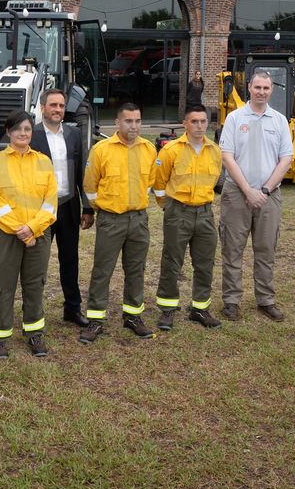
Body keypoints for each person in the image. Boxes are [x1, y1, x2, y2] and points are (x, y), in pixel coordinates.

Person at [217, 70, 294, 322]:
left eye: (266, 88)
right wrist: (248, 190)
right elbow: (226, 156)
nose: (261, 92)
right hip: (236, 193)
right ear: (249, 87)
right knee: (232, 249)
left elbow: (286, 159)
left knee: (266, 250)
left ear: (271, 90)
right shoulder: (234, 118)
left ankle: (265, 300)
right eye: (257, 87)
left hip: (269, 196)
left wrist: (265, 190)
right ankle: (231, 301)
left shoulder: (279, 121)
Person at [80, 103, 157, 342]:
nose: (134, 126)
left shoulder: (149, 149)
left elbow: (150, 181)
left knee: (136, 269)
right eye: (128, 121)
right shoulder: (101, 150)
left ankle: (133, 316)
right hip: (111, 220)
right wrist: (102, 209)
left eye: (137, 121)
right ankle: (95, 320)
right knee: (102, 270)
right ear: (117, 122)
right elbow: (90, 185)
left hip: (139, 220)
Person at [0, 110, 57, 359]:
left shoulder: (44, 162)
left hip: (39, 234)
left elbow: (50, 202)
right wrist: (22, 231)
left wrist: (33, 228)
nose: (23, 133)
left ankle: (34, 333)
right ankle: (0, 336)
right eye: (17, 129)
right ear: (8, 132)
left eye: (27, 129)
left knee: (35, 284)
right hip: (7, 235)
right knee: (2, 286)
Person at [152, 103, 223, 330]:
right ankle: (168, 309)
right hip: (178, 212)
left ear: (208, 123)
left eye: (203, 121)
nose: (199, 126)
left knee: (205, 263)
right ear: (185, 124)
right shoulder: (171, 150)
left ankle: (200, 308)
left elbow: (215, 180)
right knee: (172, 262)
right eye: (194, 121)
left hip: (205, 214)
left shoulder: (215, 151)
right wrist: (168, 208)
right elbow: (159, 183)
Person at [29, 89, 91, 326]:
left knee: (70, 261)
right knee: (37, 264)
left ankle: (72, 309)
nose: (58, 110)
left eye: (61, 106)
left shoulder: (74, 134)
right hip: (40, 210)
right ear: (43, 107)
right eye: (53, 105)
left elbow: (81, 171)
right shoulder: (31, 134)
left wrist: (87, 207)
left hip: (68, 206)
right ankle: (32, 311)